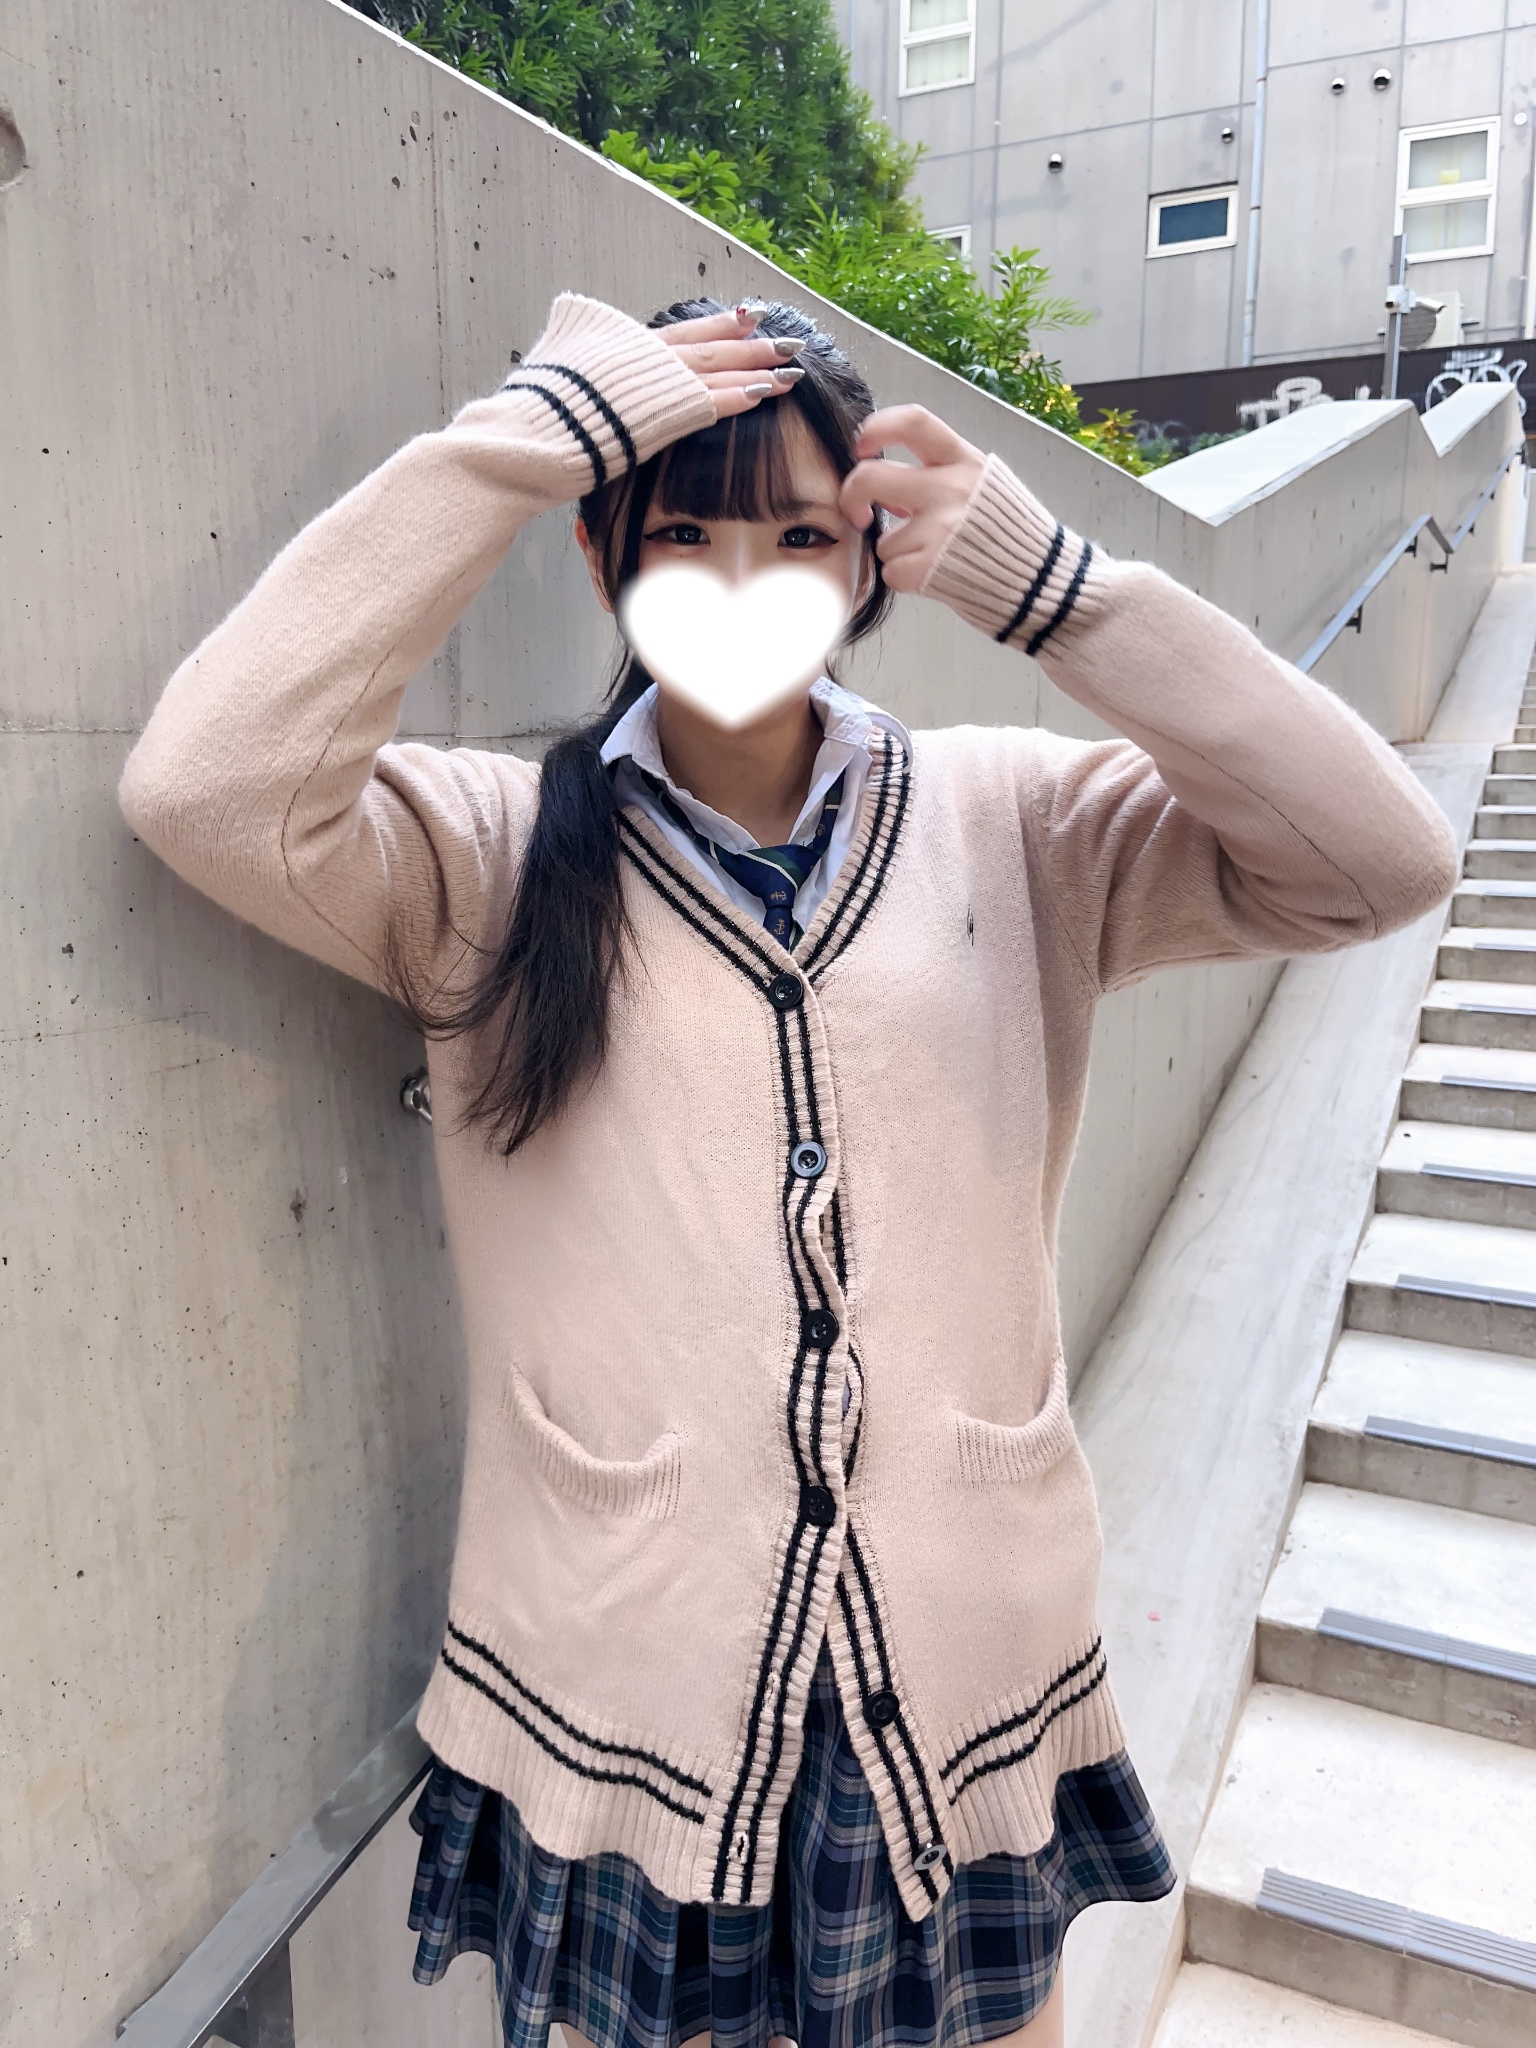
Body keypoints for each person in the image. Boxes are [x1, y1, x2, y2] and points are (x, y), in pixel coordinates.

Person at [119, 289, 1459, 2048]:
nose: (742, 580)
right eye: (683, 532)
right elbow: (207, 786)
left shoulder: (1019, 826)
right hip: (630, 1687)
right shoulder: (488, 856)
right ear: (603, 551)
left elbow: (1379, 859)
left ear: (871, 559)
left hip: (964, 1669)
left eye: (802, 537)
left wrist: (1059, 592)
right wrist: (526, 443)